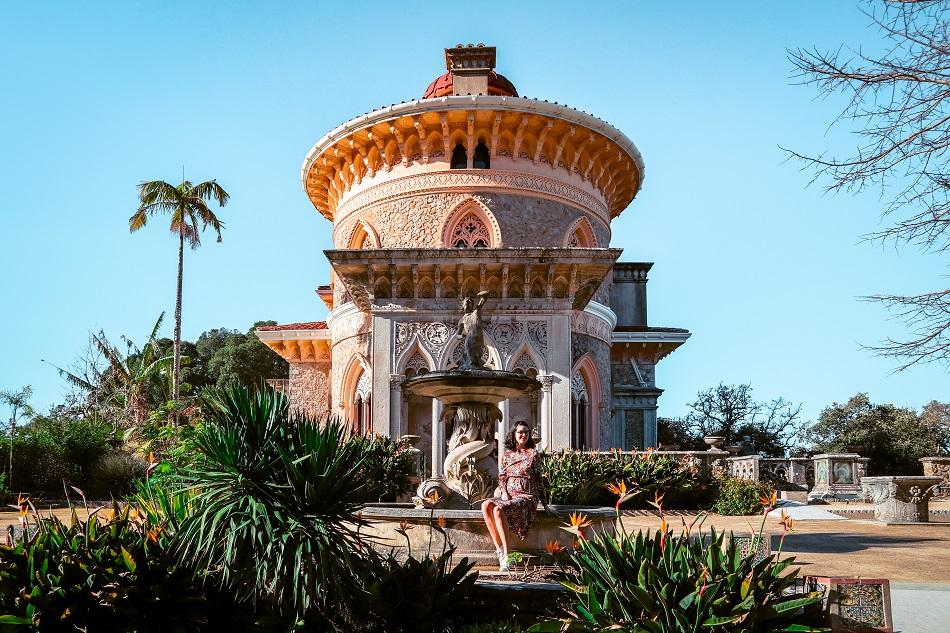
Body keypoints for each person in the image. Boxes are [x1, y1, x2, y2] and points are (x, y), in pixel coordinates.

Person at [480, 420, 541, 572]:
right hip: (510, 495)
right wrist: (505, 493)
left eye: (526, 432)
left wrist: (545, 504)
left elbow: (539, 480)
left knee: (498, 510)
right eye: (520, 432)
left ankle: (508, 556)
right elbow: (502, 477)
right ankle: (500, 550)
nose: (524, 435)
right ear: (514, 434)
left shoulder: (533, 454)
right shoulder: (507, 455)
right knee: (485, 505)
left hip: (526, 496)